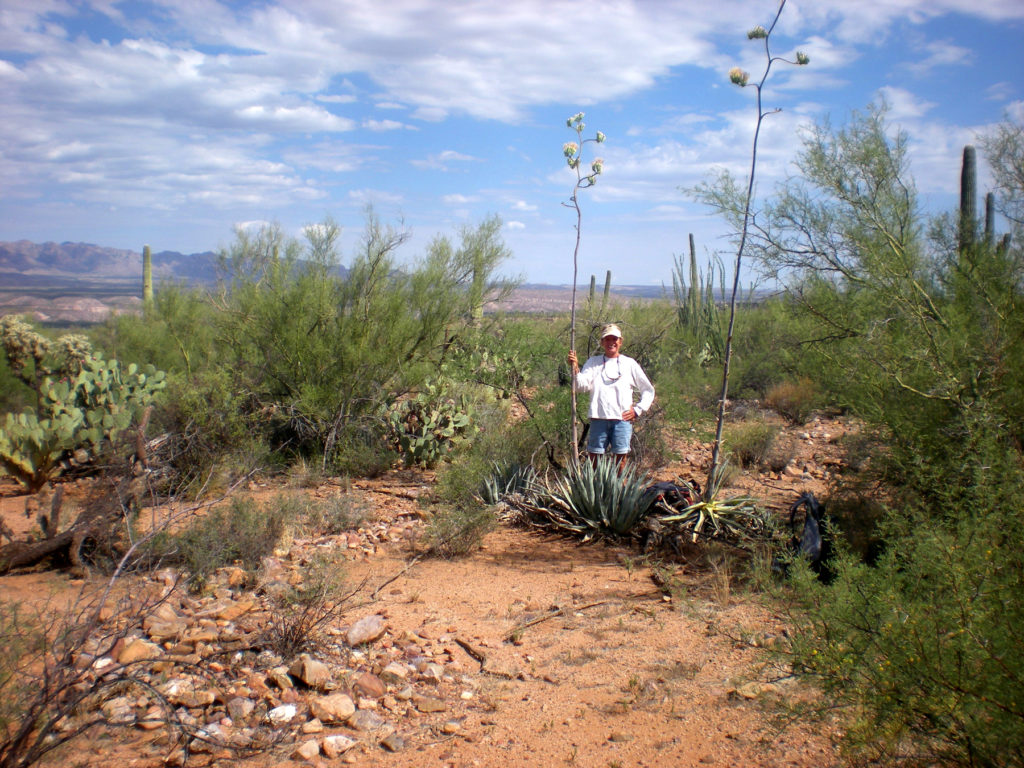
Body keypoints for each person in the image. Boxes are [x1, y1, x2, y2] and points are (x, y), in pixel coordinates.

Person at [567, 324, 655, 465]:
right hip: (598, 418)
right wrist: (576, 368)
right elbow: (580, 386)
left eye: (614, 339)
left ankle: (619, 487)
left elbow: (648, 390)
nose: (611, 342)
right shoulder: (593, 362)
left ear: (620, 341)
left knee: (621, 459)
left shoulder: (629, 364)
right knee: (594, 458)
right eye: (607, 339)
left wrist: (638, 410)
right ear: (602, 342)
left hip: (622, 420)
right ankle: (595, 486)